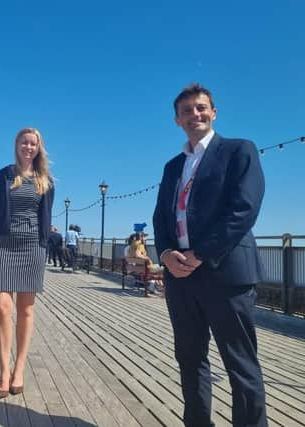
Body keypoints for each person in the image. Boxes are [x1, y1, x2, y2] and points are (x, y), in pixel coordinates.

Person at [153, 83, 267, 427]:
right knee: (190, 359)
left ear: (214, 112)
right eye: (186, 111)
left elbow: (244, 209)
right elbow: (162, 216)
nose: (194, 115)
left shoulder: (238, 151)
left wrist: (200, 253)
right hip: (181, 277)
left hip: (226, 273)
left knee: (240, 365)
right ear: (177, 120)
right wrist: (165, 254)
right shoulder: (174, 166)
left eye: (201, 108)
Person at [0, 127, 54, 399]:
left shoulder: (44, 181)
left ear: (38, 148)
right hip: (5, 244)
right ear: (16, 144)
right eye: (24, 142)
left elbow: (46, 215)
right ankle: (4, 370)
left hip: (32, 246)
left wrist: (44, 244)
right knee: (3, 307)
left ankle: (19, 369)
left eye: (33, 144)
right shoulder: (2, 176)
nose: (29, 147)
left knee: (26, 310)